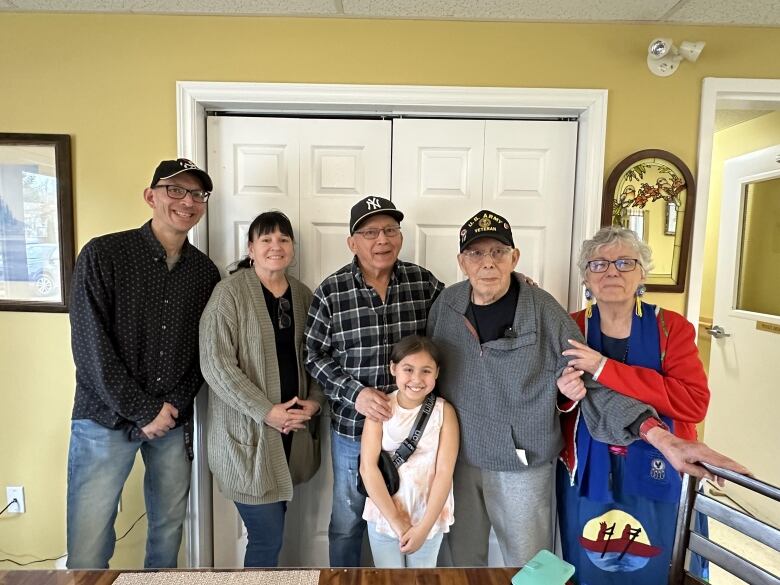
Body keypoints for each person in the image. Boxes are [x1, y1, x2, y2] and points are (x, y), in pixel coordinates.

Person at [425, 209, 746, 568]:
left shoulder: (544, 310)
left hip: (522, 461)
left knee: (533, 564)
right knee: (458, 560)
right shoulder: (446, 305)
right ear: (461, 262)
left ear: (514, 258)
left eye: (498, 252)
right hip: (458, 457)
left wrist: (663, 438)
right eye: (476, 253)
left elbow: (592, 384)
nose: (488, 263)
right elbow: (422, 368)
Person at [66, 158, 221, 568]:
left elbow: (204, 353)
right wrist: (144, 409)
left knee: (168, 530)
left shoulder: (205, 273)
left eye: (197, 194)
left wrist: (168, 409)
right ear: (150, 196)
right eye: (175, 190)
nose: (187, 201)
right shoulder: (103, 254)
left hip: (172, 421)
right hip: (102, 418)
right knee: (89, 538)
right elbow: (89, 346)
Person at [555, 226, 729, 584]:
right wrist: (564, 396)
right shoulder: (571, 327)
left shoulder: (671, 329)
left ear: (642, 273)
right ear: (586, 276)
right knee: (592, 566)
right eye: (599, 264)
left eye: (624, 262)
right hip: (588, 469)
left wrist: (604, 368)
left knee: (659, 566)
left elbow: (693, 403)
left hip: (663, 465)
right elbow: (552, 405)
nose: (612, 271)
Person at [305, 195, 444, 567]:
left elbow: (463, 313)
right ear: (352, 242)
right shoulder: (331, 292)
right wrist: (356, 393)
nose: (381, 240)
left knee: (413, 508)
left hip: (415, 430)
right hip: (353, 429)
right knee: (348, 519)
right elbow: (314, 356)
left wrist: (515, 284)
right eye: (369, 232)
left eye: (389, 230)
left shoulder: (424, 284)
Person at [199, 211, 325, 567]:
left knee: (274, 532)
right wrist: (266, 412)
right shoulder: (228, 294)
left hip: (291, 436)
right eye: (266, 239)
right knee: (267, 537)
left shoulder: (303, 295)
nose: (276, 246)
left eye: (284, 239)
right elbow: (216, 364)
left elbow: (319, 355)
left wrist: (314, 403)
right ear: (251, 248)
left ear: (293, 249)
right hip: (248, 438)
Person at [360, 335, 459, 568]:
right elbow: (368, 468)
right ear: (393, 368)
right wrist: (397, 522)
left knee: (422, 578)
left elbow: (445, 472)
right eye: (408, 369)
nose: (416, 378)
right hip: (384, 514)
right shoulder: (380, 407)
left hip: (428, 516)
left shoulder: (445, 413)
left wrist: (423, 528)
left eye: (426, 371)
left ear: (436, 373)